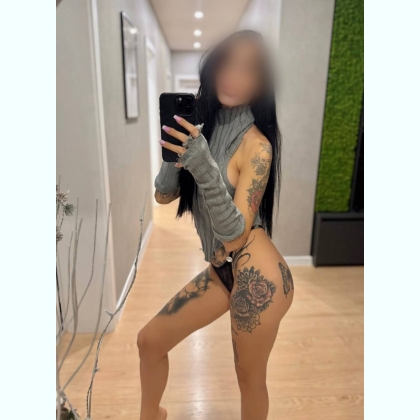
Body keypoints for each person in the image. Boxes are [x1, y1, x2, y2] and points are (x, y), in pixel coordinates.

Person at [137, 30, 294, 420]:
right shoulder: (202, 128)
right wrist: (175, 151)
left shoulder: (257, 147)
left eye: (248, 69)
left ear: (261, 83)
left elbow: (236, 235)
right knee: (149, 342)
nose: (234, 76)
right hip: (222, 270)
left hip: (259, 277)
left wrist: (204, 165)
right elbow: (163, 196)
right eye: (228, 63)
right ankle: (151, 414)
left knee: (249, 380)